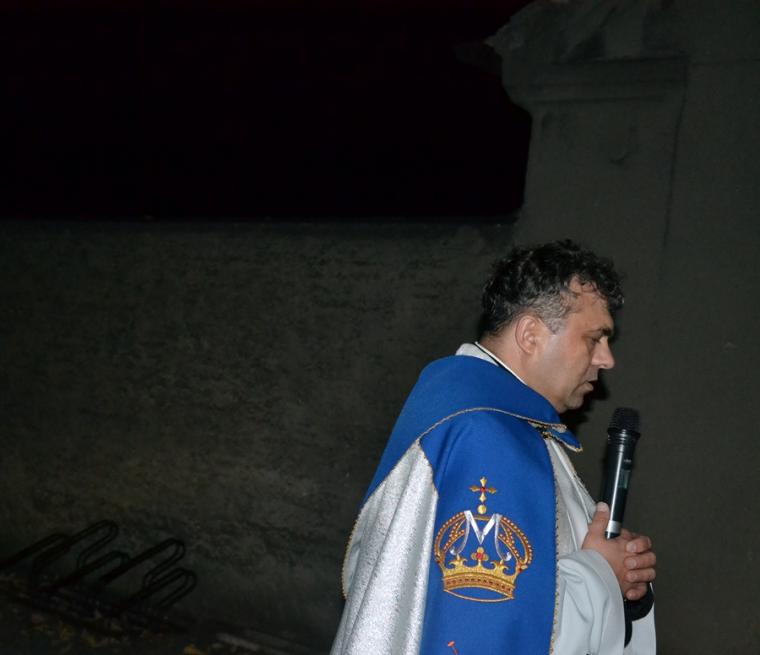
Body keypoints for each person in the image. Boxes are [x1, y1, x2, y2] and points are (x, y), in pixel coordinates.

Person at [331, 240, 656, 654]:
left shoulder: (492, 419)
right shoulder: (488, 438)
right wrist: (601, 571)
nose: (606, 359)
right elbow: (488, 628)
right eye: (594, 339)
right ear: (531, 335)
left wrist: (623, 582)